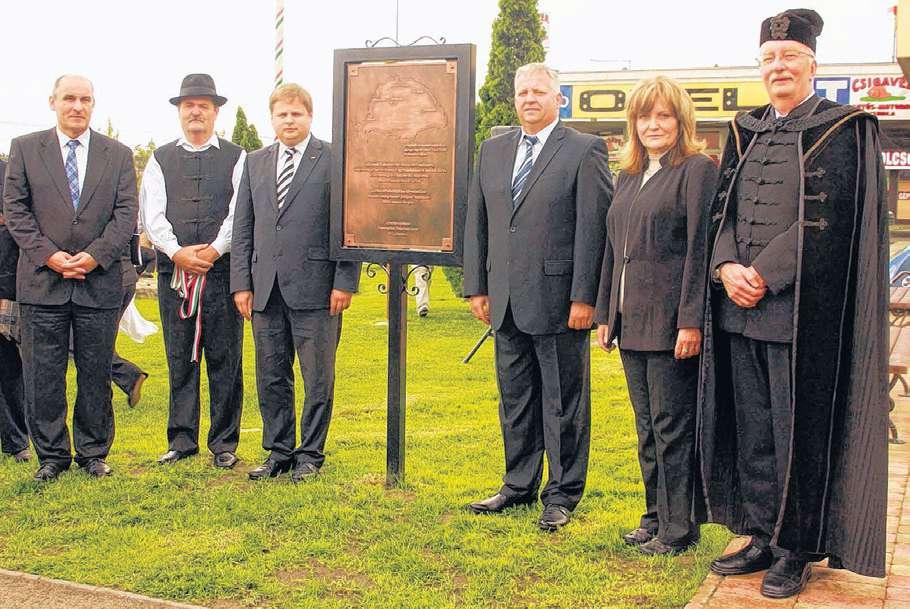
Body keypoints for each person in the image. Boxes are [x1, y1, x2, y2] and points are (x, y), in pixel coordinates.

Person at [700, 8, 887, 598]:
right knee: (753, 429)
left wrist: (762, 272)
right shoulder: (743, 131)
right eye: (769, 59)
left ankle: (795, 546)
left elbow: (830, 223)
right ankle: (758, 532)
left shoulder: (843, 129)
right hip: (738, 309)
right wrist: (727, 266)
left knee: (794, 430)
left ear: (812, 65)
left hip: (801, 316)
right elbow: (721, 209)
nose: (778, 67)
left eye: (789, 58)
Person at [463, 62, 613, 531]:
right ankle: (518, 484)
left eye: (539, 92)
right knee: (516, 398)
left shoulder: (585, 150)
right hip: (505, 299)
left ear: (558, 98)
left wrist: (585, 297)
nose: (529, 98)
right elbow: (479, 221)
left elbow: (594, 228)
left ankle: (563, 494)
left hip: (560, 300)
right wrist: (477, 285)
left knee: (564, 401)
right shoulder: (492, 150)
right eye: (522, 91)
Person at [594, 76, 717, 555]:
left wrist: (691, 320)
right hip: (630, 323)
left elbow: (698, 251)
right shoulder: (628, 175)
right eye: (644, 117)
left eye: (663, 115)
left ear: (680, 120)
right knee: (647, 429)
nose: (653, 125)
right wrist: (607, 313)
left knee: (672, 427)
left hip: (671, 325)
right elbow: (613, 249)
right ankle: (653, 515)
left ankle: (679, 528)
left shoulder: (696, 170)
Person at [3, 74, 138, 481]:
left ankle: (93, 453)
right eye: (69, 99)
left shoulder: (117, 154)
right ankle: (52, 456)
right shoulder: (25, 150)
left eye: (85, 99)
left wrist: (95, 257)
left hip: (99, 283)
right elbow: (15, 210)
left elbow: (125, 214)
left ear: (93, 104)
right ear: (53, 102)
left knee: (96, 372)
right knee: (43, 374)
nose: (77, 106)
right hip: (43, 284)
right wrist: (51, 256)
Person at [231, 83, 359, 482]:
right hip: (265, 288)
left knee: (317, 376)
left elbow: (348, 224)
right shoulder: (254, 163)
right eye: (282, 114)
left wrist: (345, 280)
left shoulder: (333, 158)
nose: (289, 120)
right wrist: (241, 284)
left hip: (318, 289)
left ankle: (310, 455)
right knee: (271, 374)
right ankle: (278, 451)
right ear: (272, 118)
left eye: (296, 114)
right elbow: (243, 227)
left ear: (310, 117)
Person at [141, 74, 245, 469]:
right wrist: (177, 252)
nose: (196, 111)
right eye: (189, 105)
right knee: (180, 356)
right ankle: (181, 439)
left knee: (225, 358)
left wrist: (216, 250)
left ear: (216, 111)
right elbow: (152, 214)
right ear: (180, 112)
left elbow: (241, 213)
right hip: (176, 276)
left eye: (203, 105)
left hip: (222, 274)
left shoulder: (238, 157)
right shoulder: (159, 157)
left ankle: (224, 442)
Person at [0, 158, 30, 462]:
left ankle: (16, 441)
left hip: (3, 282)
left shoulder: (7, 172)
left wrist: (6, 291)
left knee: (8, 367)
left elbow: (12, 236)